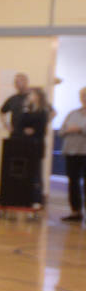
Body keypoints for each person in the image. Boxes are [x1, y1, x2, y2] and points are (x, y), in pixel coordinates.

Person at [60, 88, 86, 223]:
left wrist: (80, 129)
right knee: (73, 182)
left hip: (84, 152)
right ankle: (75, 211)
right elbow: (62, 130)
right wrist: (67, 130)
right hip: (71, 152)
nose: (83, 98)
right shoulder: (72, 113)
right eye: (82, 95)